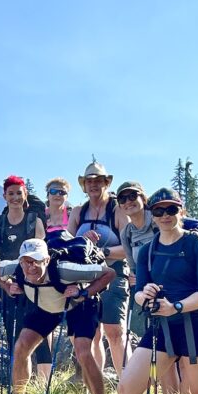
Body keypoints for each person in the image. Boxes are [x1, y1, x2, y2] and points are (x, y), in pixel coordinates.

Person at [117, 188, 198, 394]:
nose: (165, 215)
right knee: (127, 388)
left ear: (181, 211)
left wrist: (176, 307)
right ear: (152, 215)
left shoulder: (197, 244)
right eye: (159, 211)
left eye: (171, 209)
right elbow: (140, 292)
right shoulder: (146, 252)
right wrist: (146, 296)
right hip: (162, 328)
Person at [0, 238, 115, 394]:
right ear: (21, 261)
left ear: (47, 260)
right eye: (27, 261)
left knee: (83, 352)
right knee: (21, 346)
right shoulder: (16, 267)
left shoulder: (66, 270)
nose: (31, 267)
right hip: (46, 307)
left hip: (80, 305)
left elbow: (109, 273)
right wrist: (8, 287)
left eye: (37, 261)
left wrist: (84, 293)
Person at [0, 175, 52, 382]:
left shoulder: (35, 222)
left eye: (19, 193)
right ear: (4, 196)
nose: (15, 197)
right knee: (14, 337)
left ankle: (44, 389)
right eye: (11, 193)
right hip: (7, 286)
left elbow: (44, 256)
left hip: (35, 285)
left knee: (40, 336)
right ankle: (20, 390)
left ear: (25, 195)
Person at [67, 160, 129, 375]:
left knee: (114, 331)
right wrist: (81, 241)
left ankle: (127, 385)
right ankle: (95, 385)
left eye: (99, 180)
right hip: (85, 277)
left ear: (107, 183)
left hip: (114, 274)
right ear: (84, 185)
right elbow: (66, 247)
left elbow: (129, 247)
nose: (94, 185)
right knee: (91, 333)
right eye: (89, 181)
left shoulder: (117, 211)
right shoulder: (77, 212)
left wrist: (104, 252)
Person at [117, 180, 157, 344]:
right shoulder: (126, 233)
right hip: (145, 291)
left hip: (171, 286)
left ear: (143, 198)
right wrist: (134, 277)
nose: (128, 202)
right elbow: (133, 267)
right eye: (122, 199)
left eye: (132, 195)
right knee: (145, 336)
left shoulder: (158, 221)